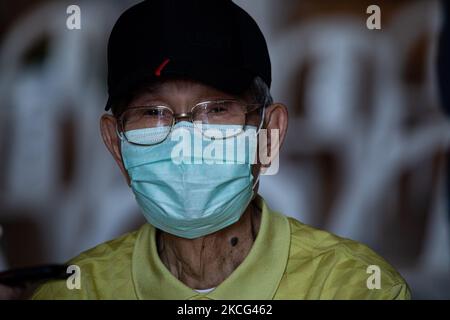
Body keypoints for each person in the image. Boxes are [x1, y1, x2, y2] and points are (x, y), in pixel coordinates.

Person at [31, 0, 410, 299]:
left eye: (215, 109)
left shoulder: (351, 289)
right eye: (152, 112)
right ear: (116, 143)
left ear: (270, 134)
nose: (183, 141)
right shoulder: (77, 293)